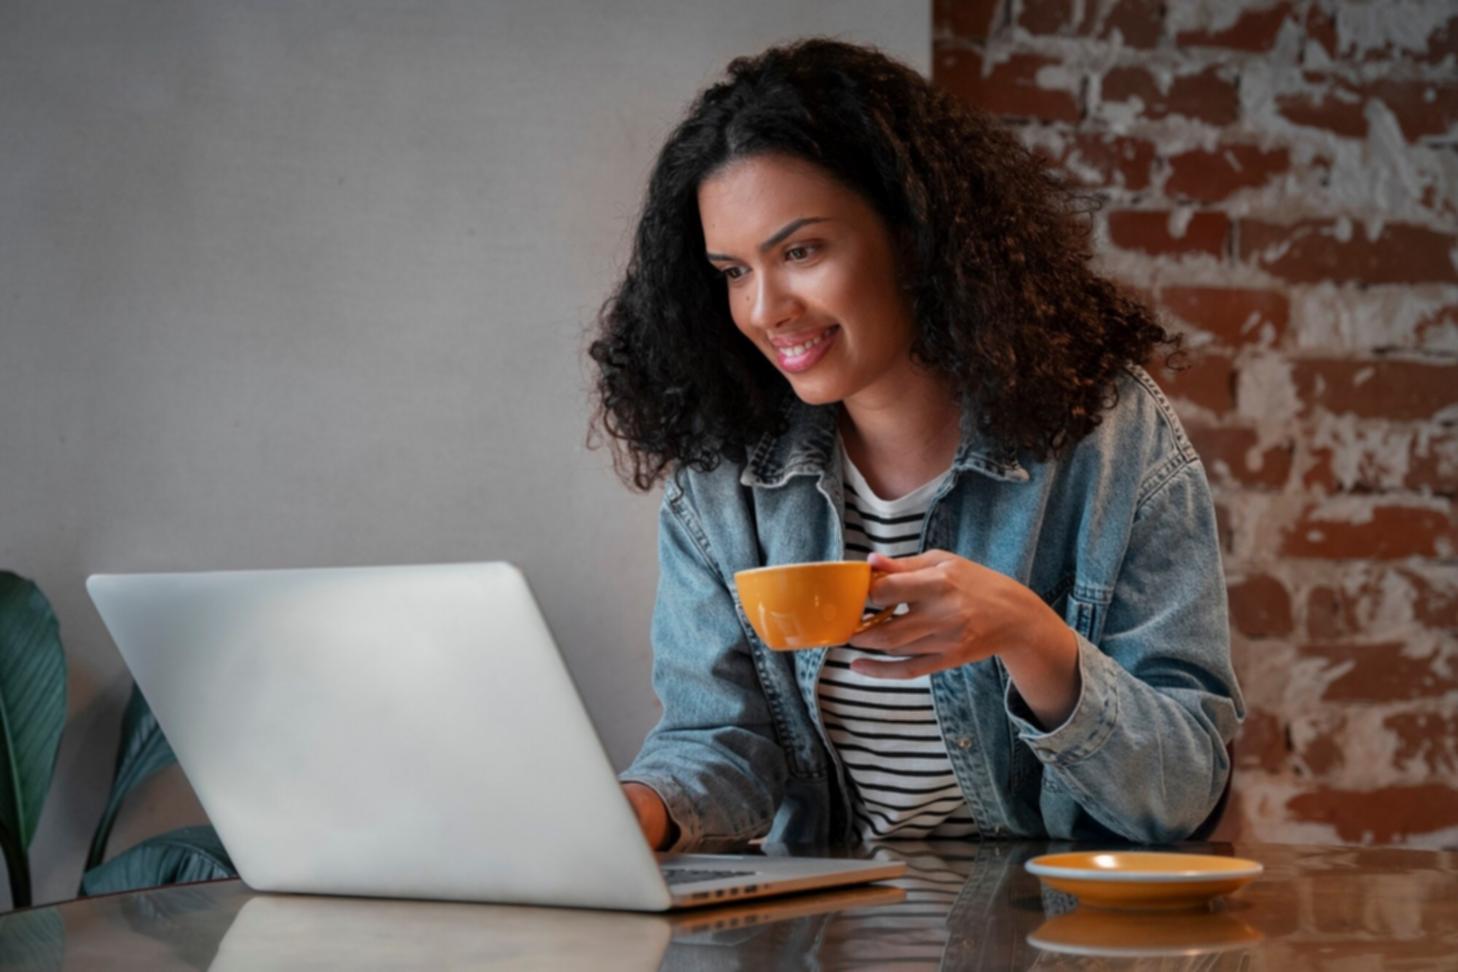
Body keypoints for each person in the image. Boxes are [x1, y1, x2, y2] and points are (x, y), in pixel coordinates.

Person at [587, 38, 1243, 851]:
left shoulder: (1110, 442)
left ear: (912, 234)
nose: (766, 309)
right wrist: (632, 815)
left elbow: (1183, 793)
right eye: (733, 272)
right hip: (825, 936)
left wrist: (1027, 634)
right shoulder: (726, 477)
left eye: (801, 251)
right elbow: (722, 744)